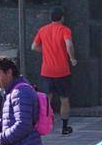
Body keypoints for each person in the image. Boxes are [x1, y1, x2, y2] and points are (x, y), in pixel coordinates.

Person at [31, 8, 77, 136]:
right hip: (62, 71)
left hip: (46, 71)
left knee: (46, 99)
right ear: (62, 17)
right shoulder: (65, 30)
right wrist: (72, 58)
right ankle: (64, 127)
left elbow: (34, 47)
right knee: (64, 99)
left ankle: (43, 125)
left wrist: (45, 51)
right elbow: (69, 44)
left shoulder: (43, 30)